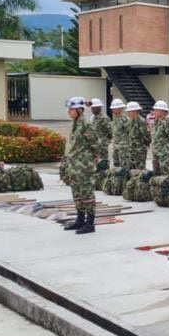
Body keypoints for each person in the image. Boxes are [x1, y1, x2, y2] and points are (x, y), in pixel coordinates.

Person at [60, 97, 98, 235]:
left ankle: (90, 223)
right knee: (77, 194)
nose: (69, 112)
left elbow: (94, 143)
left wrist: (93, 160)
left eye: (71, 109)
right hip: (74, 165)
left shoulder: (86, 124)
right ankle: (80, 219)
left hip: (83, 166)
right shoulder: (75, 124)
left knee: (86, 193)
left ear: (79, 110)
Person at [150, 100, 169, 174]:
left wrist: (167, 148)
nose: (154, 112)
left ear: (163, 112)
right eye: (154, 110)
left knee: (165, 173)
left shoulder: (167, 123)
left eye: (156, 110)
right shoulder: (156, 123)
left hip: (164, 153)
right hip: (156, 153)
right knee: (156, 174)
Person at [125, 102, 150, 170]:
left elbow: (146, 136)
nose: (128, 114)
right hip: (131, 150)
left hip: (139, 151)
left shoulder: (141, 121)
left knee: (140, 170)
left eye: (129, 112)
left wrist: (144, 146)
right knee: (132, 170)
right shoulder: (130, 121)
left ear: (134, 111)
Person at [89, 99, 110, 168]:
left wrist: (105, 141)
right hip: (94, 145)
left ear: (99, 108)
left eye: (93, 108)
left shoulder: (104, 118)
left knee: (103, 162)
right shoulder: (92, 117)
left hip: (102, 145)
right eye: (91, 108)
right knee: (96, 163)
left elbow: (109, 131)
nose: (92, 109)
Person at [109, 98, 128, 168]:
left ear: (120, 108)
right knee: (116, 165)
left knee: (123, 166)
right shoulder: (114, 118)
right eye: (113, 109)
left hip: (123, 147)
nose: (113, 110)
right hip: (116, 145)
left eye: (115, 108)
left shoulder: (125, 119)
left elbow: (129, 132)